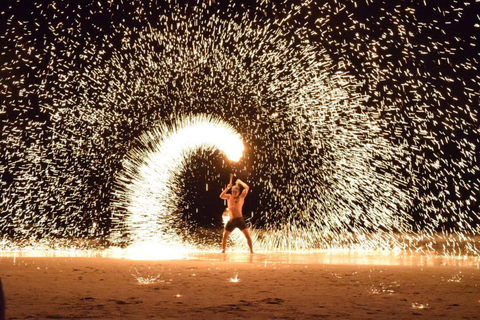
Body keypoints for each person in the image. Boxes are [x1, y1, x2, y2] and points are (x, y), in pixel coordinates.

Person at [219, 177, 253, 253]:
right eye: (233, 192)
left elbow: (247, 187)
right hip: (231, 220)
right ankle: (223, 251)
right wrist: (227, 188)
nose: (234, 193)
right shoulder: (229, 196)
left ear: (239, 192)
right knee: (225, 237)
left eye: (236, 192)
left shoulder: (241, 196)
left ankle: (251, 251)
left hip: (240, 220)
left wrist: (240, 181)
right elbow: (221, 196)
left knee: (247, 236)